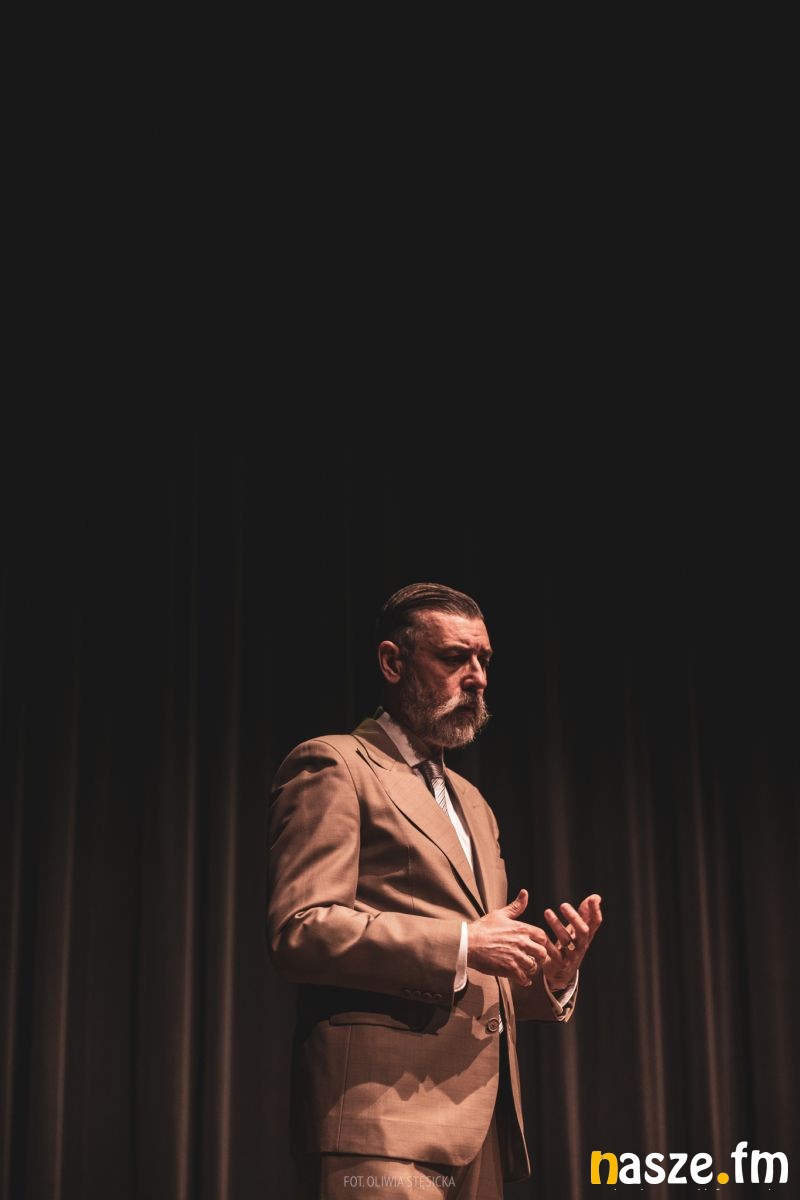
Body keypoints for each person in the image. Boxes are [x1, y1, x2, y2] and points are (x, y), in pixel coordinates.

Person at [267, 582, 603, 1199]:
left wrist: (548, 977)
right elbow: (302, 929)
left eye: (484, 660)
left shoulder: (473, 802)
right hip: (379, 1118)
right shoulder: (335, 764)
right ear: (393, 662)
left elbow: (478, 972)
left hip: (479, 1125)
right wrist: (463, 941)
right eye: (454, 658)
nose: (477, 678)